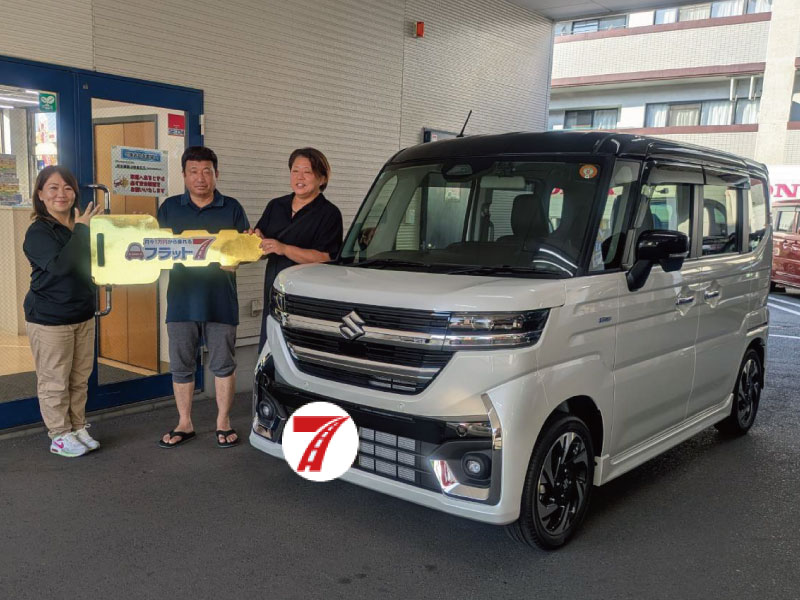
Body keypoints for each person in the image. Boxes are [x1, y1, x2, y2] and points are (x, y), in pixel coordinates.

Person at [157, 146, 249, 449]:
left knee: (223, 364)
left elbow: (245, 249)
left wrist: (239, 258)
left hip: (221, 300)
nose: (200, 178)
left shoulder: (232, 207)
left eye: (207, 171)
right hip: (181, 301)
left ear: (216, 174)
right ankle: (185, 423)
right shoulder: (169, 208)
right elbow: (155, 249)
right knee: (181, 365)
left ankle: (223, 421)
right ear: (184, 175)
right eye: (193, 171)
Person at [23, 165, 105, 457]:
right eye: (53, 188)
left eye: (68, 188)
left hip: (82, 313)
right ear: (40, 194)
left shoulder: (83, 225)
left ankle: (77, 427)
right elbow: (61, 266)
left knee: (79, 378)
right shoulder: (38, 232)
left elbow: (99, 260)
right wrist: (81, 229)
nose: (62, 194)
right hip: (50, 319)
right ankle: (59, 435)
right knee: (55, 380)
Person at [254, 148, 343, 351]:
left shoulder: (329, 213)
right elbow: (262, 248)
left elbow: (325, 257)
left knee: (302, 349)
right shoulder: (276, 206)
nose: (299, 177)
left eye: (307, 172)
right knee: (271, 346)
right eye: (295, 171)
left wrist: (283, 248)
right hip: (275, 291)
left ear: (322, 178)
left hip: (308, 297)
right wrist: (254, 241)